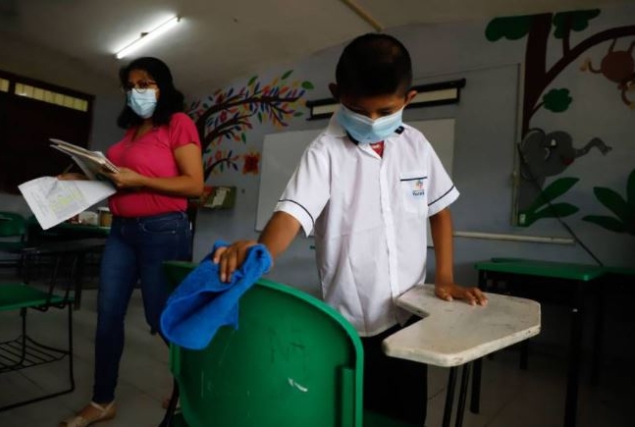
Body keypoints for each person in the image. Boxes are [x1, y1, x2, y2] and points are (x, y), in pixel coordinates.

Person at [215, 34, 487, 425]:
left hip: (412, 314)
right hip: (354, 322)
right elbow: (291, 215)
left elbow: (439, 212)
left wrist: (443, 277)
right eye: (359, 110)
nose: (372, 121)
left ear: (408, 100)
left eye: (385, 110)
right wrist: (258, 253)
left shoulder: (418, 145)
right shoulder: (324, 152)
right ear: (336, 94)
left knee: (409, 411)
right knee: (360, 411)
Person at [59, 57, 204, 427]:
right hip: (121, 231)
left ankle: (196, 390)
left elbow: (194, 185)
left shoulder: (178, 123)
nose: (137, 91)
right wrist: (81, 177)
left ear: (163, 86)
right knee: (108, 317)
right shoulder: (129, 135)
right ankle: (102, 400)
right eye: (132, 85)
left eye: (146, 83)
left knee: (161, 317)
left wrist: (140, 180)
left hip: (163, 230)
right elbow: (117, 179)